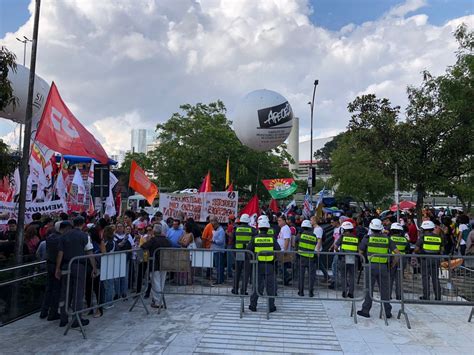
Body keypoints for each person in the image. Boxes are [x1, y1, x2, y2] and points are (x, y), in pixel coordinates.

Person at [55, 216, 97, 328]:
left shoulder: (63, 236)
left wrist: (57, 268)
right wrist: (94, 267)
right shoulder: (84, 236)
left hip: (65, 266)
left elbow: (60, 253)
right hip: (79, 266)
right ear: (83, 224)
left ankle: (63, 318)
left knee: (65, 292)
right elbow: (90, 253)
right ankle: (76, 318)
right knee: (78, 292)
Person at [357, 218, 399, 319]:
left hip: (370, 266)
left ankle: (365, 310)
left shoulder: (367, 238)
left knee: (368, 289)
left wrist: (363, 261)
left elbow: (360, 252)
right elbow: (397, 253)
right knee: (384, 290)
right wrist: (393, 263)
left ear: (371, 228)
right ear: (381, 228)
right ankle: (387, 311)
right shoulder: (387, 239)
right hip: (384, 267)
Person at [248, 218, 281, 312]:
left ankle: (253, 306)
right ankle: (271, 307)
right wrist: (274, 258)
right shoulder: (272, 239)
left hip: (257, 265)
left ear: (259, 228)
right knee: (270, 287)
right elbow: (278, 250)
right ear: (267, 228)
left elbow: (248, 250)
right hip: (270, 266)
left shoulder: (255, 239)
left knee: (256, 286)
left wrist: (253, 258)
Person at [39, 221, 69, 321]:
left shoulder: (50, 237)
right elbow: (61, 253)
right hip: (57, 265)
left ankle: (44, 311)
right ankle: (53, 313)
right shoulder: (62, 239)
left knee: (49, 288)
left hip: (49, 264)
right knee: (56, 290)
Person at [141, 225, 171, 308]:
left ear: (154, 232)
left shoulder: (153, 240)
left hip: (155, 264)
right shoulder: (166, 240)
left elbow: (143, 246)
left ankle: (158, 302)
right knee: (161, 282)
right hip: (164, 264)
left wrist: (147, 240)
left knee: (156, 282)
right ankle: (159, 299)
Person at [415, 220, 443, 300]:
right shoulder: (438, 237)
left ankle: (426, 296)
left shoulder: (423, 237)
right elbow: (442, 249)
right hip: (436, 259)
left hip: (425, 260)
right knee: (435, 278)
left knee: (425, 278)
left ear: (424, 229)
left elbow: (416, 249)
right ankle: (438, 297)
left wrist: (419, 252)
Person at [232, 213, 256, 295]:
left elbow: (232, 242)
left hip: (238, 252)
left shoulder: (236, 229)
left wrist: (234, 252)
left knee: (237, 271)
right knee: (246, 272)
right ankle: (243, 290)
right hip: (248, 253)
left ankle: (235, 289)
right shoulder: (252, 230)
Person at [335, 221, 359, 299]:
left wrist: (339, 252)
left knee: (343, 276)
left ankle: (344, 292)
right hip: (353, 258)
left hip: (343, 258)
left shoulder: (342, 237)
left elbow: (335, 246)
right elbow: (358, 249)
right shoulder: (356, 238)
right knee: (352, 276)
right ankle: (351, 293)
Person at [388, 222, 409, 300]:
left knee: (390, 277)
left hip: (391, 259)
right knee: (399, 278)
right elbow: (407, 249)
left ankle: (388, 295)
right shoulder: (405, 239)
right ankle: (399, 295)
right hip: (402, 260)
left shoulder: (389, 238)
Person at [297, 220, 318, 297]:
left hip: (301, 257)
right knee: (311, 276)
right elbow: (315, 244)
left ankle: (301, 291)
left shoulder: (300, 235)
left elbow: (295, 242)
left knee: (301, 275)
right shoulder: (314, 236)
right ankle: (310, 292)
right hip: (311, 258)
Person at [310, 216, 330, 282]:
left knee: (316, 264)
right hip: (315, 249)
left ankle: (324, 276)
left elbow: (319, 240)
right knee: (319, 264)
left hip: (316, 249)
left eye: (311, 220)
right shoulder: (315, 229)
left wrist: (317, 250)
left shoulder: (318, 229)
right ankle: (326, 276)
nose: (310, 221)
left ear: (315, 221)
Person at [210, 217, 226, 285]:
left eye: (212, 222)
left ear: (216, 222)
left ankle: (219, 280)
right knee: (218, 266)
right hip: (215, 250)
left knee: (219, 266)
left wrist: (213, 241)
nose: (211, 224)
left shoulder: (221, 231)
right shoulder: (217, 230)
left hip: (219, 250)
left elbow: (221, 241)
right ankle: (220, 279)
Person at [276, 215, 292, 285]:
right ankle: (286, 279)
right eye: (278, 221)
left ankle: (287, 277)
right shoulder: (283, 228)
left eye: (279, 221)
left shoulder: (285, 228)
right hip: (282, 250)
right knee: (282, 266)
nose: (278, 222)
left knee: (281, 266)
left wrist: (285, 250)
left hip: (283, 250)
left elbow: (287, 239)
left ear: (284, 221)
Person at [329, 217, 342, 290]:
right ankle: (341, 282)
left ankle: (335, 282)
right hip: (335, 249)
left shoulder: (341, 229)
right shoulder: (335, 229)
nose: (331, 224)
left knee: (334, 266)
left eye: (332, 222)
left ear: (336, 222)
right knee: (337, 267)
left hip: (339, 250)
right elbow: (335, 239)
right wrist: (331, 247)